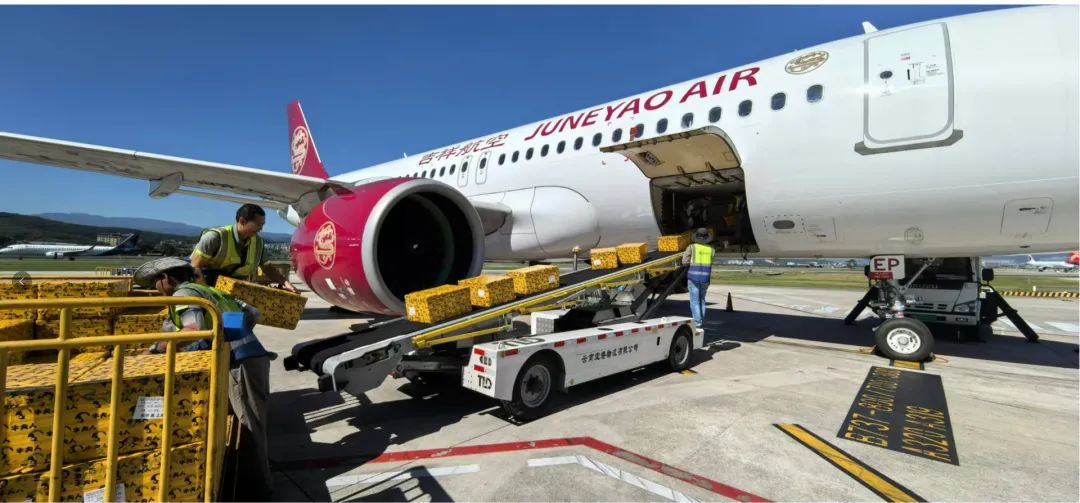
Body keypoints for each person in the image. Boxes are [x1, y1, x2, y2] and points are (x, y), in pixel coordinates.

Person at [134, 257, 274, 500]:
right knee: (248, 420)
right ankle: (253, 480)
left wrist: (155, 350)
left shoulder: (184, 294)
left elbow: (193, 329)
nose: (155, 289)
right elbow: (252, 313)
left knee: (248, 424)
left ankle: (258, 489)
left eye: (155, 283)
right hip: (248, 356)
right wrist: (228, 335)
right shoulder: (208, 291)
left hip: (240, 362)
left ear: (165, 279)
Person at [191, 204, 298, 293]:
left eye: (262, 225)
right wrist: (205, 293)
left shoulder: (258, 243)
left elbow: (268, 268)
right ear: (242, 221)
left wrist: (285, 282)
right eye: (258, 225)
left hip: (237, 289)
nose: (261, 228)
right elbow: (195, 267)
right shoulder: (215, 237)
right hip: (209, 287)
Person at [682, 228, 715, 327]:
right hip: (705, 278)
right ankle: (700, 321)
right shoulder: (711, 249)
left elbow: (684, 262)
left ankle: (697, 322)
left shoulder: (692, 247)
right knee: (702, 300)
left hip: (693, 278)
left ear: (696, 237)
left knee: (694, 301)